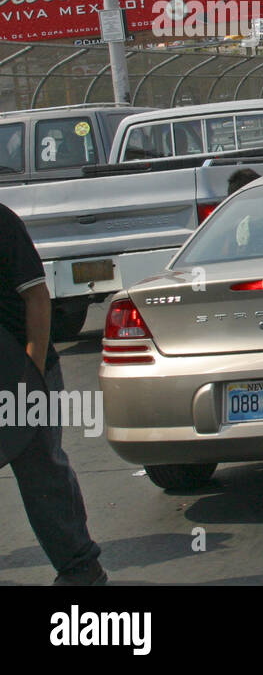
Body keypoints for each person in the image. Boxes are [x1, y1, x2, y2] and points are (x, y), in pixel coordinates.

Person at [0, 202, 105, 584]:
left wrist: (32, 370)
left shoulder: (2, 223)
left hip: (22, 372)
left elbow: (38, 298)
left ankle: (80, 566)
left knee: (41, 473)